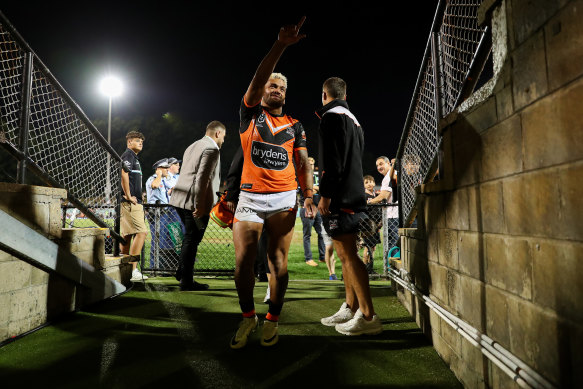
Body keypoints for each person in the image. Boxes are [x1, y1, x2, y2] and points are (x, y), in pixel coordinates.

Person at [230, 17, 317, 349]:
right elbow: (258, 79)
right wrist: (280, 44)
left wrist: (308, 193)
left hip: (284, 198)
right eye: (271, 86)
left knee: (277, 262)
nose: (276, 90)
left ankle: (273, 319)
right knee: (242, 261)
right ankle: (247, 316)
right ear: (262, 90)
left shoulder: (296, 125)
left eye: (281, 88)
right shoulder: (249, 114)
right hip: (250, 197)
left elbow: (304, 162)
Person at [317, 77, 382, 336]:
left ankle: (368, 316)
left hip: (341, 197)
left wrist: (326, 194)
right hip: (352, 194)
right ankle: (351, 306)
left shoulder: (331, 117)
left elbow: (334, 161)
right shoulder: (354, 119)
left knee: (348, 255)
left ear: (325, 95)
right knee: (347, 255)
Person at [169, 121, 226, 291]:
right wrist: (200, 205)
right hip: (193, 200)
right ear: (217, 133)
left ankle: (182, 271)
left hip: (179, 199)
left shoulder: (192, 145)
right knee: (192, 239)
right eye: (223, 136)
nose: (223, 140)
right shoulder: (212, 149)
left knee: (192, 238)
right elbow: (203, 178)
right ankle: (186, 280)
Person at [119, 130, 149, 282]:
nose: (140, 143)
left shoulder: (133, 157)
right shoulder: (128, 155)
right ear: (129, 142)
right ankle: (132, 269)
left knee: (128, 235)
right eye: (137, 140)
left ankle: (124, 268)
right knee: (141, 233)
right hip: (131, 203)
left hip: (133, 202)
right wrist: (129, 195)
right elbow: (124, 173)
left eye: (141, 141)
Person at [145, 158, 173, 269]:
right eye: (165, 168)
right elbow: (154, 186)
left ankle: (160, 265)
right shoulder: (154, 179)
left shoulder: (163, 180)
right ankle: (154, 267)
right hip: (156, 213)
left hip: (164, 213)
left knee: (162, 240)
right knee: (157, 240)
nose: (167, 169)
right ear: (158, 169)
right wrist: (159, 175)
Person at [298, 156, 325, 267]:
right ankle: (308, 258)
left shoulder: (318, 175)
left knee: (321, 233)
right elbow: (303, 191)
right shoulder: (301, 175)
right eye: (309, 162)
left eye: (312, 163)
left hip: (318, 208)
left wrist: (313, 188)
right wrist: (314, 189)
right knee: (307, 235)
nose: (311, 165)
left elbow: (322, 188)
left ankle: (322, 257)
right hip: (307, 208)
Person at [368, 156, 399, 248]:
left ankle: (392, 262)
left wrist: (368, 202)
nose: (379, 167)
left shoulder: (390, 175)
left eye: (381, 164)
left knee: (393, 245)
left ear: (388, 163)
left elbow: (383, 196)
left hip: (393, 216)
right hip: (393, 215)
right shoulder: (391, 175)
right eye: (377, 165)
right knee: (392, 244)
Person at [361, 175, 381, 274]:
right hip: (368, 225)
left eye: (371, 182)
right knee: (367, 246)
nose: (369, 184)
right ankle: (364, 267)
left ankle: (370, 267)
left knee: (373, 247)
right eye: (366, 182)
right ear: (363, 185)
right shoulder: (364, 196)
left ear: (374, 183)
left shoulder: (375, 195)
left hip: (376, 225)